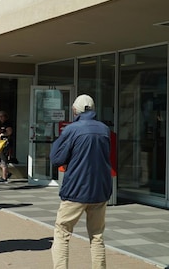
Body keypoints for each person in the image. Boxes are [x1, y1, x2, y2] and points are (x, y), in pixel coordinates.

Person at [49, 94, 112, 269]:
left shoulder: (72, 129)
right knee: (97, 235)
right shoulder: (104, 129)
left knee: (62, 232)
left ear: (75, 110)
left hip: (76, 190)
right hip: (100, 189)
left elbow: (56, 158)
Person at [0, 110, 13, 183]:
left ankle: (4, 177)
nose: (0, 118)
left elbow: (9, 132)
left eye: (2, 116)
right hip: (0, 143)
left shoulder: (7, 124)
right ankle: (7, 173)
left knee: (3, 160)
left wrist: (2, 135)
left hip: (5, 143)